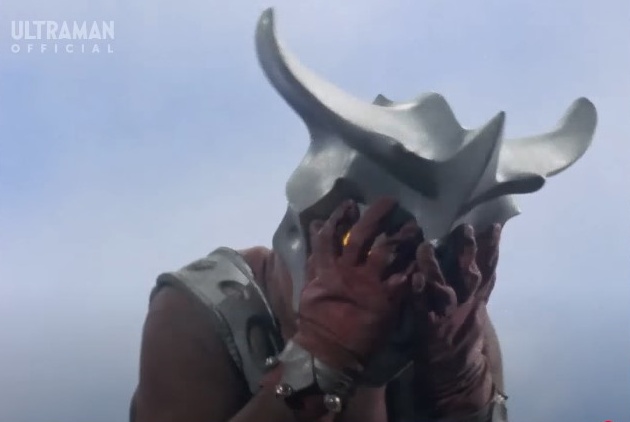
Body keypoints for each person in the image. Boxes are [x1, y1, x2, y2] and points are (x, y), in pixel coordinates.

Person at [129, 8, 596, 422]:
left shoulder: (447, 323)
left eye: (425, 267)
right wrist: (320, 359)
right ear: (309, 232)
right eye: (376, 252)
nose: (397, 298)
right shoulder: (200, 315)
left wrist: (464, 388)